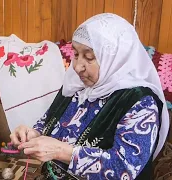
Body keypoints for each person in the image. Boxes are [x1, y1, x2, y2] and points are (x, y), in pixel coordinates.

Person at [10, 13, 169, 180]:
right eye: (76, 54)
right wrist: (33, 135)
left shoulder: (140, 101)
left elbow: (123, 169)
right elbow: (46, 124)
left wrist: (60, 151)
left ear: (115, 58)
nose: (78, 67)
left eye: (89, 57)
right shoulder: (76, 87)